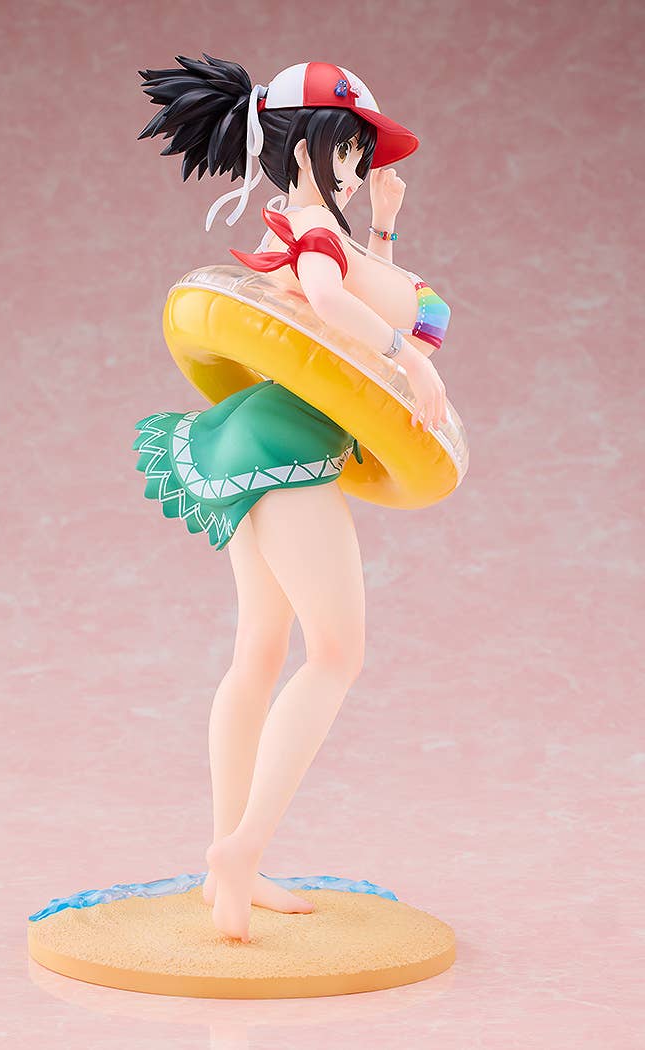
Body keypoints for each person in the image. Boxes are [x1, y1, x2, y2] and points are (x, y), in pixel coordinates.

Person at [134, 54, 450, 942]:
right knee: (337, 654)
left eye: (359, 152)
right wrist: (412, 358)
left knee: (260, 651)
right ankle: (240, 850)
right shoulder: (310, 228)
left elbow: (345, 301)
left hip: (260, 440)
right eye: (346, 147)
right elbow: (329, 301)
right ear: (301, 145)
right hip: (291, 452)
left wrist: (384, 225)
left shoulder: (307, 222)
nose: (354, 165)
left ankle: (230, 866)